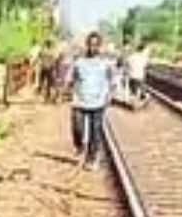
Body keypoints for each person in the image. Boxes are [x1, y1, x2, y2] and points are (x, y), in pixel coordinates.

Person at [66, 30, 115, 170]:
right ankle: (80, 146)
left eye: (96, 45)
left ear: (99, 46)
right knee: (77, 128)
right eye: (91, 44)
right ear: (87, 45)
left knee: (95, 131)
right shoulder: (79, 62)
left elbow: (112, 80)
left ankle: (92, 158)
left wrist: (109, 95)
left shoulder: (105, 64)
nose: (93, 48)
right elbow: (71, 79)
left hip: (98, 102)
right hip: (79, 101)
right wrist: (69, 90)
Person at [127, 42, 151, 107]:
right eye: (146, 50)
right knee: (143, 91)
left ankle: (134, 102)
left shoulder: (131, 56)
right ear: (143, 50)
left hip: (131, 77)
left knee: (133, 92)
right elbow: (146, 67)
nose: (147, 51)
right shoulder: (144, 58)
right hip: (140, 77)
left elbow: (127, 65)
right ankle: (141, 100)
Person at [37, 39, 58, 103]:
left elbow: (38, 58)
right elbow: (55, 60)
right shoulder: (52, 51)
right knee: (49, 83)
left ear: (45, 45)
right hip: (50, 68)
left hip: (43, 68)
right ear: (50, 45)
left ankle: (45, 97)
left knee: (42, 83)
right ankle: (49, 97)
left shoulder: (42, 51)